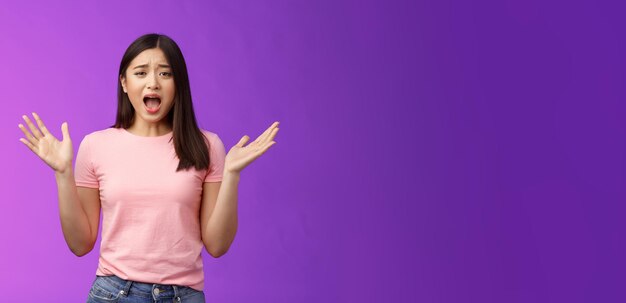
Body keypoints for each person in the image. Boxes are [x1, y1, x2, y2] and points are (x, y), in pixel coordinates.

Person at [18, 33, 279, 303]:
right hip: (114, 294)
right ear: (124, 82)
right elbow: (80, 244)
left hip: (184, 295)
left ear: (178, 84)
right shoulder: (95, 145)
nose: (153, 83)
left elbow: (218, 245)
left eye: (165, 74)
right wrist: (62, 175)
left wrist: (231, 175)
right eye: (141, 73)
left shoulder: (207, 146)